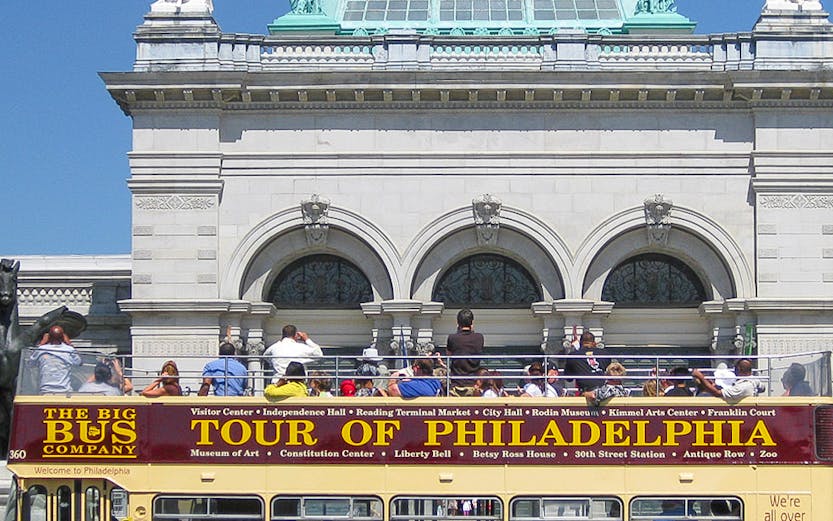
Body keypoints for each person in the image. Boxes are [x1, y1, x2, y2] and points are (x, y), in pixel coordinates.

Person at [29, 325, 81, 394]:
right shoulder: (69, 350)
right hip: (65, 391)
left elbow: (31, 363)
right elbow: (79, 363)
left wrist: (41, 343)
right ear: (63, 337)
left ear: (48, 337)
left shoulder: (41, 349)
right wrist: (69, 344)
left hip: (46, 391)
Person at [445, 309, 484, 394]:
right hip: (474, 385)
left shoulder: (452, 338)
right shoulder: (479, 338)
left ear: (458, 323)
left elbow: (448, 354)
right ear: (472, 322)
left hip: (456, 384)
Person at [692, 359, 759, 403]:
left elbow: (717, 393)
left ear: (738, 369)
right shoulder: (755, 381)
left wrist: (701, 377)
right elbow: (762, 388)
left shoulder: (742, 387)